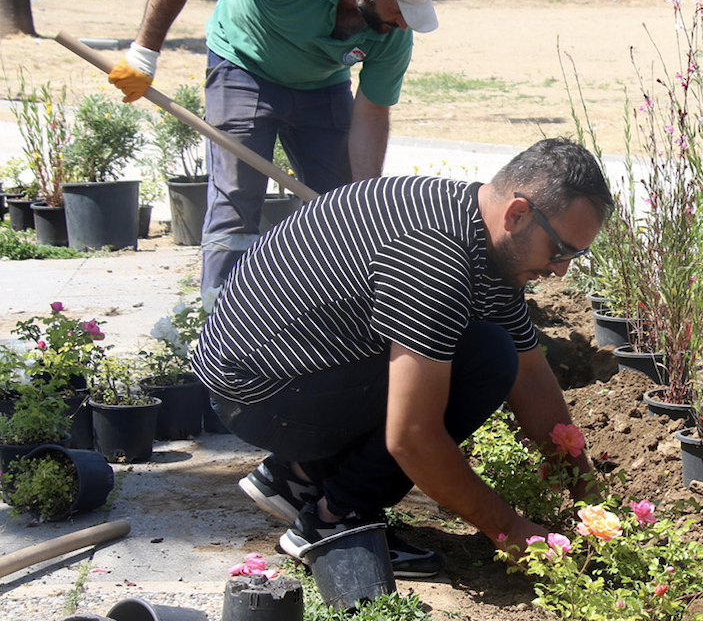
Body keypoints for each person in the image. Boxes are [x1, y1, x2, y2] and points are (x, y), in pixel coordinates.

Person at [191, 137, 613, 576]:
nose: (562, 269)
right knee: (483, 361)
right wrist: (508, 529)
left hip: (286, 374)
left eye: (576, 255)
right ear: (518, 213)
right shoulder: (435, 256)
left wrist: (588, 498)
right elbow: (412, 437)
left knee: (491, 351)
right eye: (561, 250)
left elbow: (530, 377)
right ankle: (335, 518)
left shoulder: (485, 234)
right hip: (258, 395)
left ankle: (297, 475)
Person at [106, 0, 438, 293]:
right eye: (399, 10)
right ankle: (219, 312)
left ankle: (326, 311)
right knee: (237, 198)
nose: (404, 23)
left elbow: (372, 113)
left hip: (322, 84)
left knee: (339, 203)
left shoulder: (392, 34)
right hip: (244, 64)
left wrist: (363, 197)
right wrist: (144, 54)